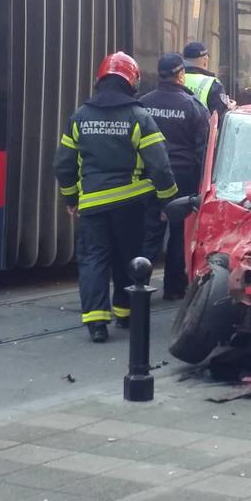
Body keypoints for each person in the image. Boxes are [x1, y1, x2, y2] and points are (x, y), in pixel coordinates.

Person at [55, 51, 178, 343]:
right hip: (130, 205)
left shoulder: (79, 118)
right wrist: (167, 202)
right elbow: (160, 166)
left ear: (100, 80)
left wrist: (71, 199)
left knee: (93, 260)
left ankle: (96, 322)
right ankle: (125, 312)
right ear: (132, 82)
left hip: (93, 205)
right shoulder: (139, 118)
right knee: (129, 258)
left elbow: (62, 164)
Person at [139, 53, 209, 300]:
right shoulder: (193, 106)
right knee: (180, 233)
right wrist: (203, 183)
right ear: (181, 75)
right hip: (184, 177)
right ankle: (174, 287)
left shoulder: (143, 103)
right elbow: (202, 149)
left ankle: (139, 286)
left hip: (150, 177)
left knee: (150, 233)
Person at [182, 41, 234, 122]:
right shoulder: (212, 84)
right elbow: (220, 118)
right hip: (203, 133)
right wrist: (229, 110)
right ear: (205, 60)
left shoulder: (174, 79)